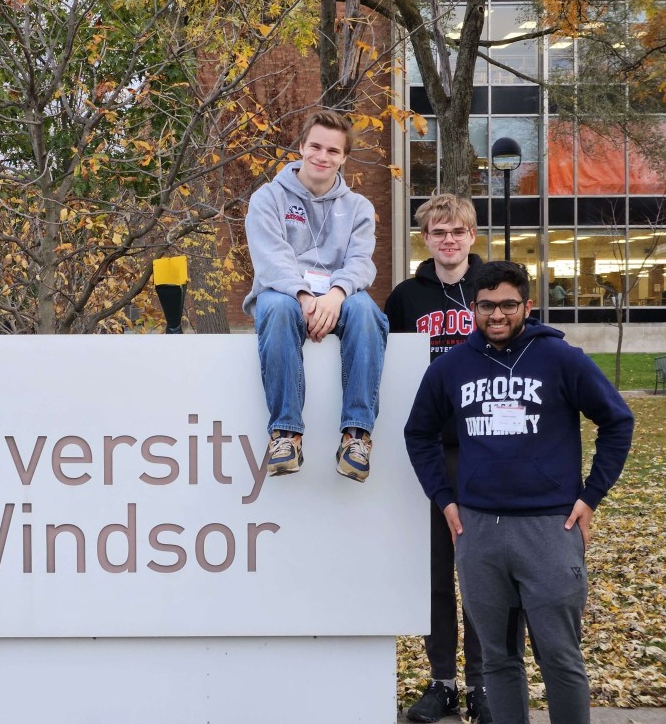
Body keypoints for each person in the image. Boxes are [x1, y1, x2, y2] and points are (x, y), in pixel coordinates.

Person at [404, 261, 634, 724]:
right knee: (498, 661)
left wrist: (590, 497)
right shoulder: (450, 368)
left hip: (549, 529)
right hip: (479, 532)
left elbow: (617, 420)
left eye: (508, 304)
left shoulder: (561, 359)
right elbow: (418, 433)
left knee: (560, 659)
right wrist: (445, 499)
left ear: (527, 306)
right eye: (487, 305)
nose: (497, 315)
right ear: (473, 308)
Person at [383, 195, 488, 723]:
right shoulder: (406, 297)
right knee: (435, 575)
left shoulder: (494, 289)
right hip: (430, 452)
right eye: (439, 231)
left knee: (482, 574)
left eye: (458, 231)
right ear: (426, 237)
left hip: (489, 451)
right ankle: (442, 681)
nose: (449, 240)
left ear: (473, 235)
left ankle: (484, 685)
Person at [243, 108, 388, 481]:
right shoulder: (268, 198)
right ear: (302, 146)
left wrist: (336, 294)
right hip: (287, 296)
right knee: (274, 306)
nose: (323, 157)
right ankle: (286, 434)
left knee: (368, 312)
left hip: (337, 299)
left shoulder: (359, 208)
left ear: (344, 157)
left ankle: (356, 435)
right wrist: (305, 297)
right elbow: (271, 259)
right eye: (316, 147)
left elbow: (360, 262)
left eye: (333, 151)